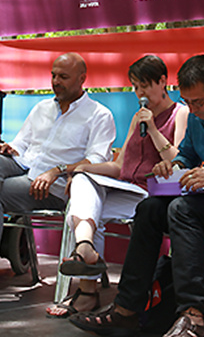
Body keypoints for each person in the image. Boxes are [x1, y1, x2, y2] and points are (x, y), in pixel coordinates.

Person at [69, 54, 204, 337]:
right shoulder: (197, 116)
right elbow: (188, 155)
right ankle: (127, 309)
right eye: (188, 102)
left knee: (182, 209)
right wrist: (175, 165)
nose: (192, 109)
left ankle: (193, 315)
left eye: (198, 102)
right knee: (149, 209)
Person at [0, 53, 116, 307]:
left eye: (63, 77)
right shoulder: (42, 108)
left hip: (61, 187)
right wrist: (8, 148)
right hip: (27, 173)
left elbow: (95, 161)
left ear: (82, 78)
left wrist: (57, 170)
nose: (55, 81)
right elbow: (22, 146)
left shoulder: (99, 115)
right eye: (53, 75)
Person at [46, 55, 189, 318]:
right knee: (83, 199)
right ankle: (85, 249)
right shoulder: (138, 118)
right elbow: (120, 166)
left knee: (81, 211)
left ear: (163, 81)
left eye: (145, 85)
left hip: (155, 195)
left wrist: (154, 130)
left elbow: (179, 162)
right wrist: (81, 169)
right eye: (135, 87)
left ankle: (87, 291)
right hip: (128, 188)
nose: (140, 93)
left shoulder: (181, 113)